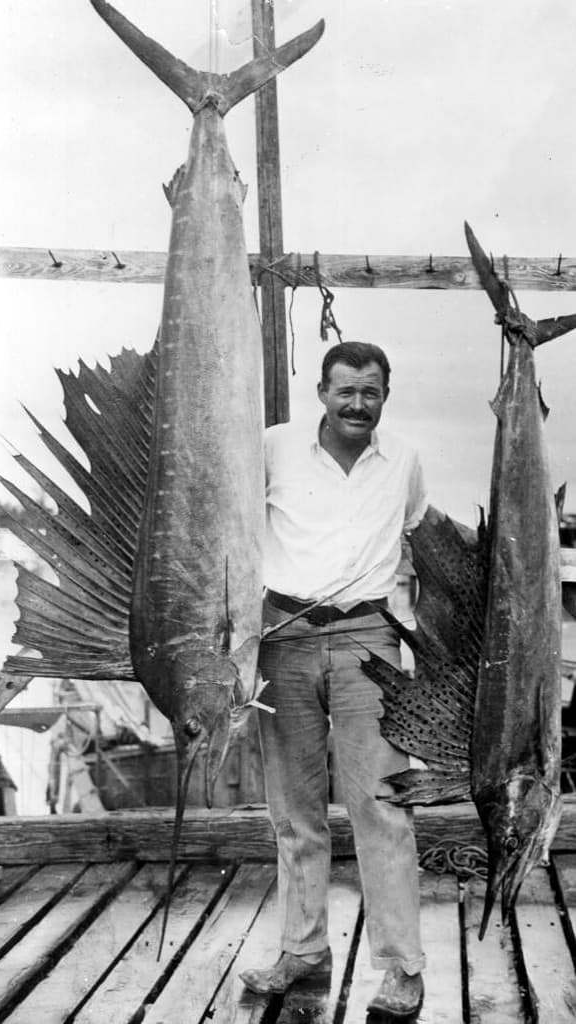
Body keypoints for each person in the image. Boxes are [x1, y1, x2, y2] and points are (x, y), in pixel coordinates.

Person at [239, 341, 427, 1017]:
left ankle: (403, 966)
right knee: (294, 809)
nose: (357, 404)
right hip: (282, 637)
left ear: (385, 395)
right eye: (345, 391)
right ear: (320, 391)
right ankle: (302, 949)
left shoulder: (402, 459)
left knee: (382, 805)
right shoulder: (272, 447)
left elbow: (411, 528)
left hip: (368, 640)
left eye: (370, 392)